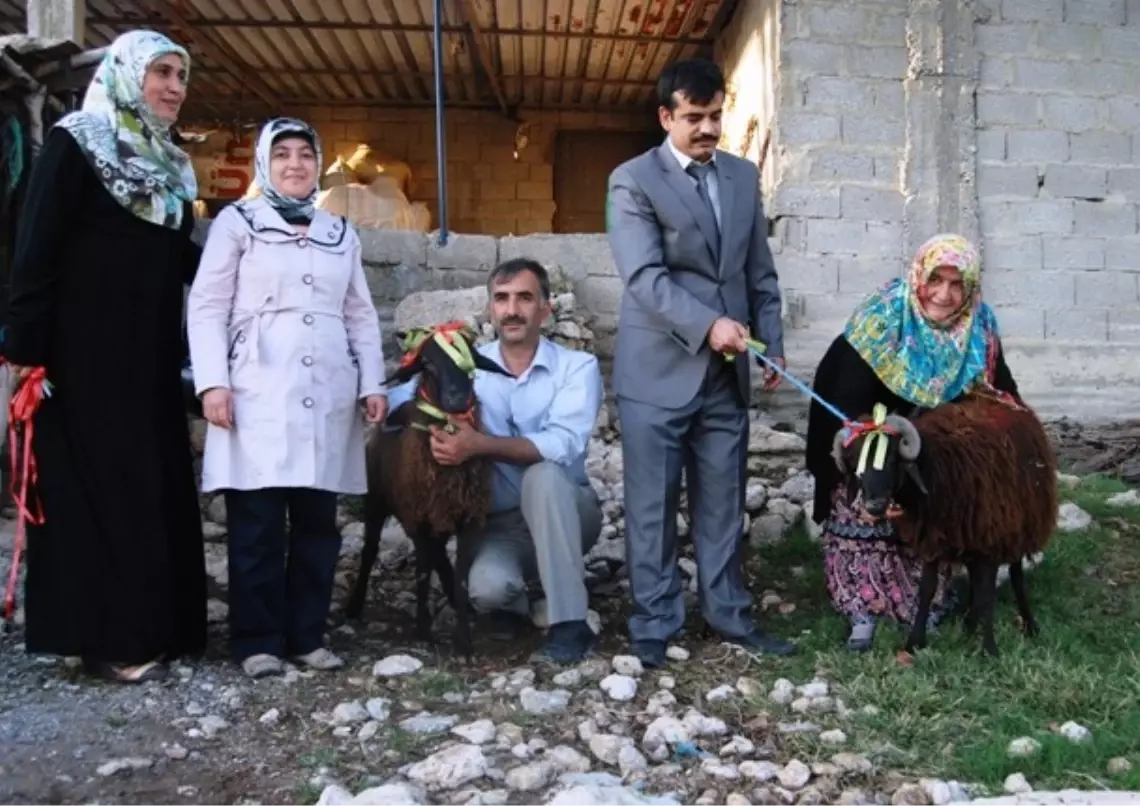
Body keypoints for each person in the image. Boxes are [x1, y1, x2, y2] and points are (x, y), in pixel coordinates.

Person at [1, 30, 207, 683]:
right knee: (98, 495)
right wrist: (24, 349)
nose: (174, 86)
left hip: (147, 361)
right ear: (126, 74)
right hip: (81, 359)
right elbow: (35, 248)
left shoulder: (171, 167)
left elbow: (181, 261)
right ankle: (104, 640)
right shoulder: (76, 141)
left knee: (150, 489)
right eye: (162, 72)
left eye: (181, 75)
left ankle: (158, 627)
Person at [605, 58, 793, 668]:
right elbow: (644, 277)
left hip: (727, 374)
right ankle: (656, 621)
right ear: (667, 117)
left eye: (716, 116)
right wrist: (708, 324)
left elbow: (757, 270)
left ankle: (729, 615)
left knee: (723, 502)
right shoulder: (631, 180)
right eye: (695, 117)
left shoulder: (742, 177)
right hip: (657, 371)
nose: (709, 128)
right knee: (653, 506)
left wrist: (772, 338)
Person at [187, 118, 388, 679]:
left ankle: (306, 635)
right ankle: (256, 641)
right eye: (282, 155)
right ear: (264, 163)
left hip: (325, 387)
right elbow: (207, 305)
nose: (295, 164)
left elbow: (358, 312)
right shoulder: (238, 223)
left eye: (305, 154)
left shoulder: (339, 232)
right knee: (256, 523)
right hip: (257, 385)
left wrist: (372, 380)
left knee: (317, 523)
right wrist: (213, 382)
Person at [805, 233, 1022, 652]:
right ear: (919, 277)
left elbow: (1000, 393)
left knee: (931, 512)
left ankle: (925, 603)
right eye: (935, 280)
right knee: (867, 506)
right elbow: (846, 402)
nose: (944, 294)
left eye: (957, 284)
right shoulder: (883, 318)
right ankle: (861, 610)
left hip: (927, 459)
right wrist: (868, 467)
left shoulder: (978, 329)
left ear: (971, 287)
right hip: (864, 447)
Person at [387, 258, 604, 663]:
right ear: (489, 309)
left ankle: (570, 625)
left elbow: (562, 444)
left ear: (545, 308)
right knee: (487, 590)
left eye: (524, 298)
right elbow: (402, 398)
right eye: (501, 299)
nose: (512, 309)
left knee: (542, 476)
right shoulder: (469, 365)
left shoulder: (578, 367)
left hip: (570, 510)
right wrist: (398, 410)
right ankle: (531, 600)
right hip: (502, 524)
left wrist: (479, 444)